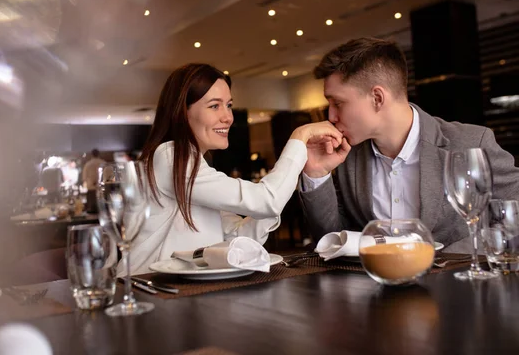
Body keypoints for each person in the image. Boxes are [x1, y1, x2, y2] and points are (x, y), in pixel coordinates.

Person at [299, 37, 519, 253]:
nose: (331, 116)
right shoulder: (348, 156)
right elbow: (333, 238)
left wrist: (460, 256)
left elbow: (515, 214)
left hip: (459, 284)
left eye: (337, 103)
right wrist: (317, 174)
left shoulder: (471, 143)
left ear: (377, 98)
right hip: (374, 285)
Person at [128, 63, 343, 275]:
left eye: (229, 105)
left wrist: (273, 200)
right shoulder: (171, 156)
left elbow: (237, 238)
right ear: (182, 112)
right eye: (214, 106)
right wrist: (299, 138)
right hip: (147, 288)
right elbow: (266, 201)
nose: (228, 117)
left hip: (182, 292)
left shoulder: (193, 163)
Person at [82, 149, 105, 213]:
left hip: (91, 189)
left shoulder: (88, 164)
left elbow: (84, 177)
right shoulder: (103, 163)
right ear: (98, 154)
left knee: (91, 209)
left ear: (92, 154)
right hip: (101, 189)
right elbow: (108, 176)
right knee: (102, 209)